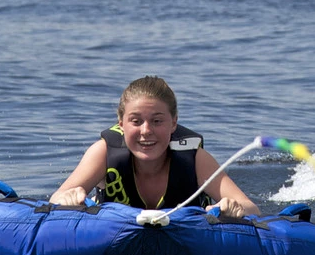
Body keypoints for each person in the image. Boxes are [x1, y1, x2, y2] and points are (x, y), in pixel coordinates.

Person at [50, 76, 261, 218]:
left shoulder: (195, 159)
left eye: (157, 121)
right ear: (121, 124)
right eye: (136, 121)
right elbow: (57, 198)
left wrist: (231, 207)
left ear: (173, 124)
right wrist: (69, 197)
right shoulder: (104, 152)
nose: (146, 130)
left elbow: (252, 208)